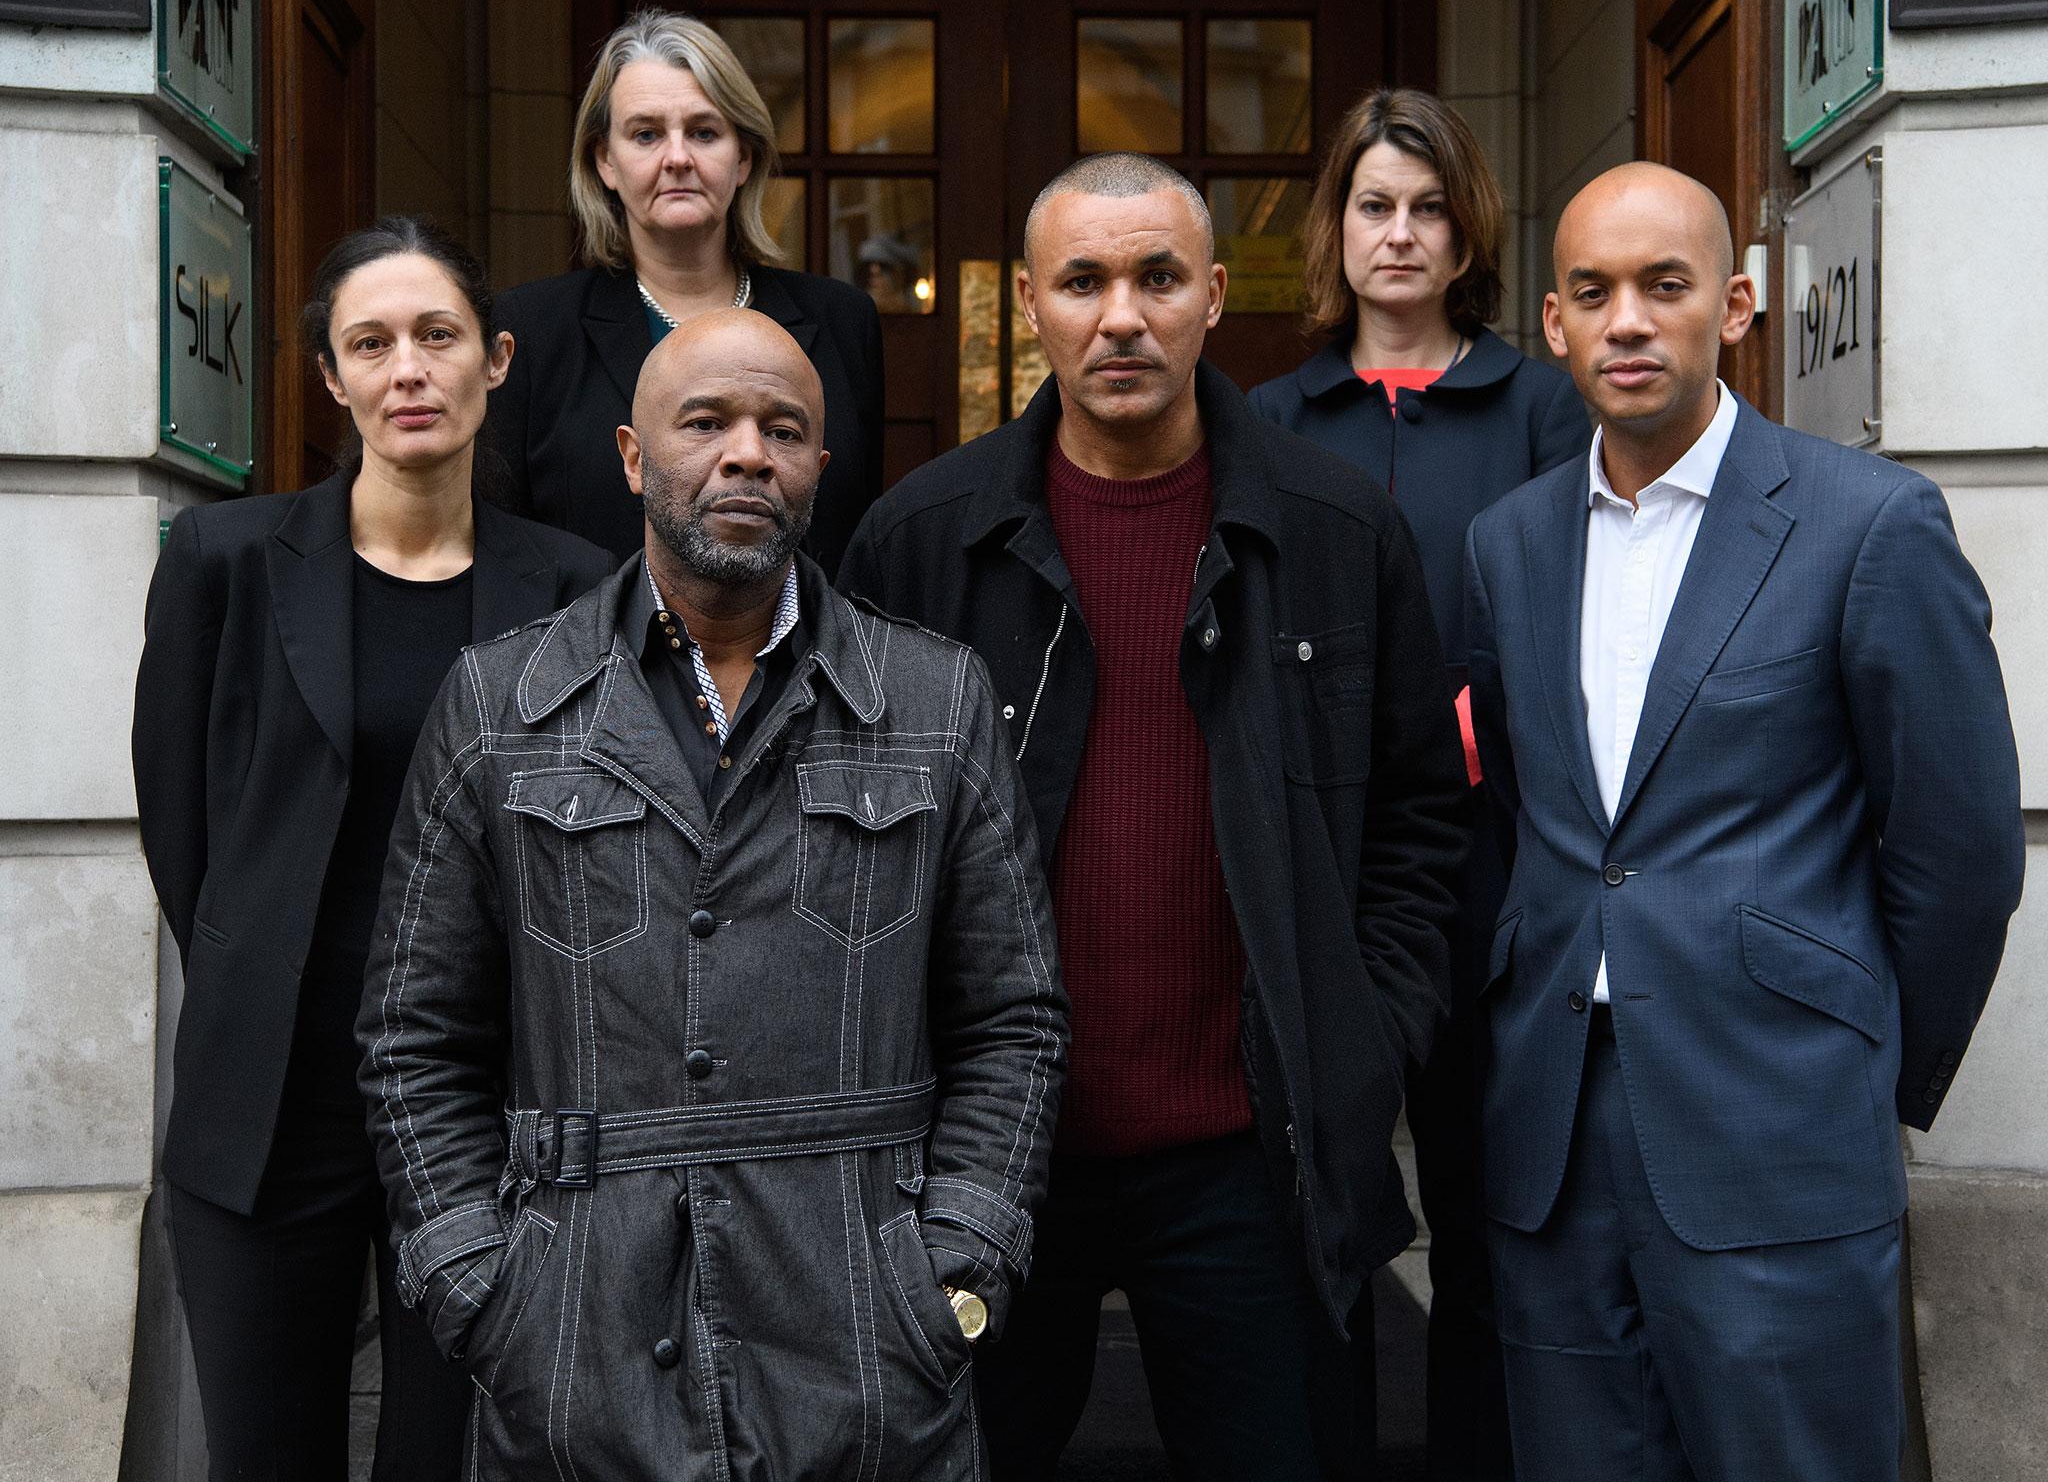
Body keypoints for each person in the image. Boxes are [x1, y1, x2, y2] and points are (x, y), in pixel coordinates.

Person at [839, 153, 1469, 1481]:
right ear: (1029, 304)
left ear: (1216, 297)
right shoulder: (920, 542)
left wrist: (1366, 1030)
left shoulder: (1338, 532)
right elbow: (843, 847)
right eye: (1083, 281)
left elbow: (1422, 821)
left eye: (1156, 278)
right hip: (989, 1156)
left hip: (1255, 1154)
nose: (1120, 315)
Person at [358, 308, 1067, 1476]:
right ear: (634, 456)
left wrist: (955, 1267)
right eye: (708, 422)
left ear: (818, 473)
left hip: (863, 1330)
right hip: (574, 1334)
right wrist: (477, 1286)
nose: (747, 452)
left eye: (782, 429)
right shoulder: (501, 703)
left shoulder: (934, 699)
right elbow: (409, 1031)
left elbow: (1014, 1019)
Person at [1463, 162, 2024, 1481]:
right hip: (1555, 1140)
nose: (1630, 322)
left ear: (1738, 303)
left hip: (1781, 1123)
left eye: (1666, 287)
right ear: (1552, 325)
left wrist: (1849, 1061)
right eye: (1593, 293)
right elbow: (1517, 830)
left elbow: (1960, 857)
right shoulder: (1507, 545)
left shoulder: (1867, 523)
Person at [131, 217, 614, 1480]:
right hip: (270, 1100)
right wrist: (267, 968)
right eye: (371, 342)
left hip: (486, 1101)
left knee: (450, 1459)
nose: (409, 368)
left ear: (494, 360)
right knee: (267, 1455)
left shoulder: (575, 588)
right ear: (332, 379)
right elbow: (181, 827)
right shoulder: (223, 563)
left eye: (437, 336)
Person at [1251, 87, 1587, 1481]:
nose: (1400, 234)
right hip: (1308, 878)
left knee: (1487, 1215)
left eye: (1428, 207)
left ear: (1467, 233)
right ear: (1336, 228)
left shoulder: (1544, 407)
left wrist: (1483, 713)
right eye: (1375, 206)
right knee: (1306, 1213)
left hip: (1494, 872)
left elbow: (1593, 620)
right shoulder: (1268, 415)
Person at [487, 8, 883, 576]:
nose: (677, 158)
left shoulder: (843, 321)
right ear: (606, 161)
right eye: (646, 134)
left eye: (704, 132)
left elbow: (856, 545)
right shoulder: (530, 328)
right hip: (589, 659)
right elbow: (509, 547)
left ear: (742, 156)